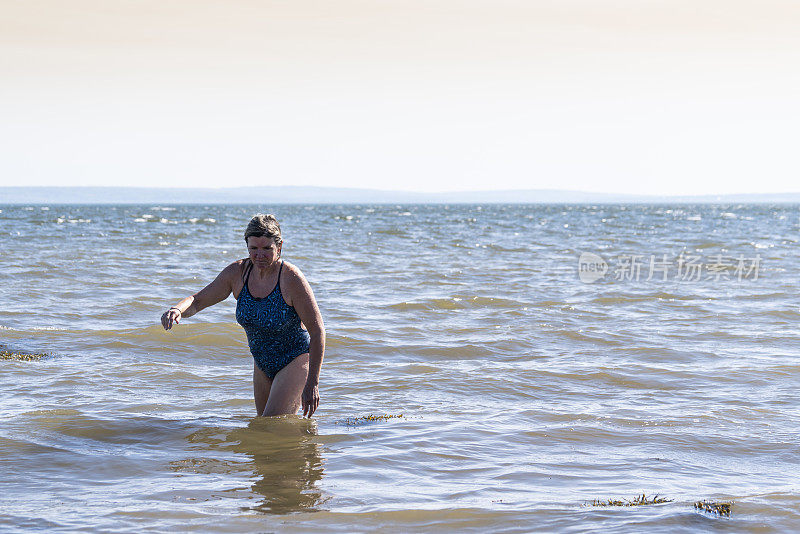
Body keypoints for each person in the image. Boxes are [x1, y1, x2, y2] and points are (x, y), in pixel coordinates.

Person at [160, 214, 324, 418]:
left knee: (270, 426)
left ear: (279, 247)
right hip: (262, 363)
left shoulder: (291, 278)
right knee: (263, 428)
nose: (259, 255)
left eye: (267, 249)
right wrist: (177, 310)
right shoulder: (238, 273)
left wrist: (313, 383)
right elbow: (198, 301)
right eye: (253, 248)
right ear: (246, 246)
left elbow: (317, 332)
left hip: (295, 360)